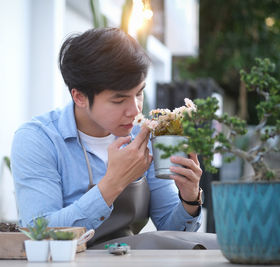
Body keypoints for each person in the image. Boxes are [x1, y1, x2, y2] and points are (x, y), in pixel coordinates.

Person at [11, 27, 204, 248]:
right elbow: (39, 234)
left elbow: (171, 233)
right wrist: (114, 182)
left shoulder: (143, 136)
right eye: (119, 100)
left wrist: (189, 198)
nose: (135, 110)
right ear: (80, 97)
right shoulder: (38, 140)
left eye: (139, 93)